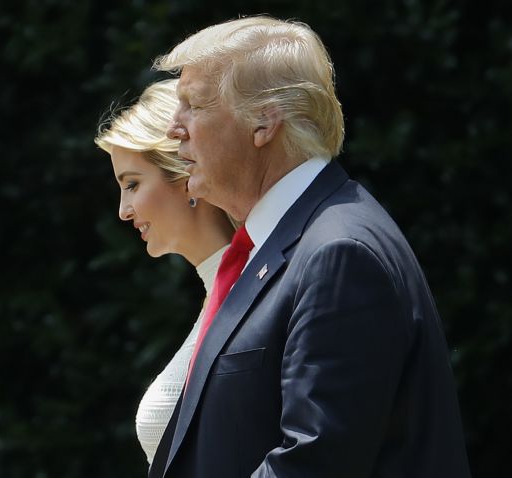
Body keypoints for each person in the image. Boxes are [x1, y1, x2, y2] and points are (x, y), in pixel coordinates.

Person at [146, 16, 471, 478]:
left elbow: (313, 464)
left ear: (263, 121)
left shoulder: (339, 254)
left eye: (192, 106)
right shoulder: (294, 241)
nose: (173, 129)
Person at [95, 79, 236, 466]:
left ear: (186, 174)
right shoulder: (221, 290)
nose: (124, 211)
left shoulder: (256, 289)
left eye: (133, 184)